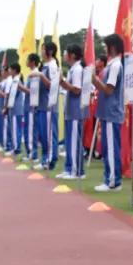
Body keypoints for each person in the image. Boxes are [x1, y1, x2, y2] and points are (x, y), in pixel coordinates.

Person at [93, 34, 125, 192]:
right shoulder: (111, 65)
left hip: (112, 112)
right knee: (107, 147)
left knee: (111, 148)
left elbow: (109, 89)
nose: (104, 49)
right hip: (107, 112)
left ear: (112, 47)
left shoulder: (115, 65)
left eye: (106, 46)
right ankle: (109, 178)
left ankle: (113, 181)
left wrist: (94, 80)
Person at [57, 44, 85, 180]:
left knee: (74, 141)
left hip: (75, 110)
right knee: (69, 141)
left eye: (66, 52)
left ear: (73, 55)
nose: (64, 55)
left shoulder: (78, 69)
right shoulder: (72, 70)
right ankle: (69, 168)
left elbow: (77, 89)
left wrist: (62, 82)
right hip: (70, 110)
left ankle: (76, 170)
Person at [40, 42, 61, 170]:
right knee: (43, 135)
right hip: (42, 105)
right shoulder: (44, 65)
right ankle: (45, 158)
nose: (41, 52)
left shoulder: (53, 66)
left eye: (43, 49)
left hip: (49, 105)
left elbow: (52, 85)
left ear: (50, 51)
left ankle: (51, 160)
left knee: (49, 134)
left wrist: (41, 76)